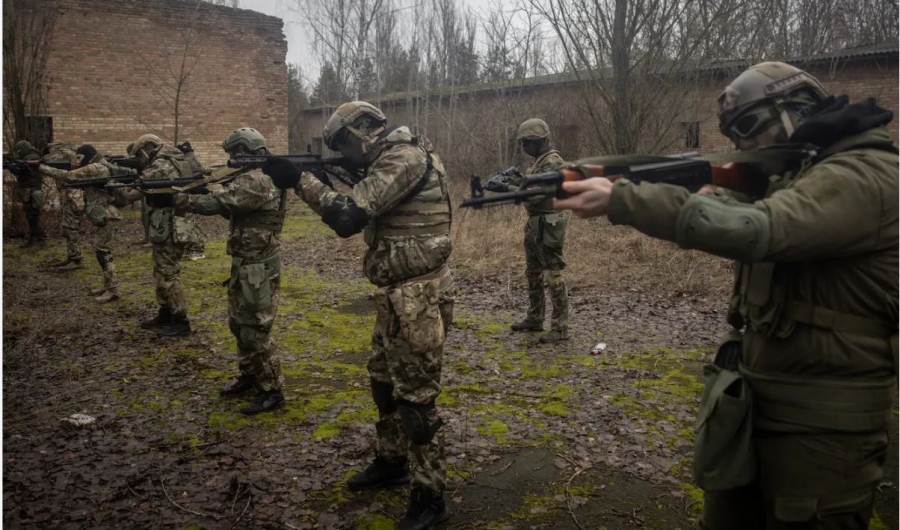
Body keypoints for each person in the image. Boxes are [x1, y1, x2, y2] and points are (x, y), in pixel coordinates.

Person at [554, 62, 898, 530]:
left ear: (798, 110)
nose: (744, 145)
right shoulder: (798, 176)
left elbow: (761, 229)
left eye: (751, 126)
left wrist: (625, 200)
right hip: (758, 400)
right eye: (734, 133)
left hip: (826, 424)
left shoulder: (867, 174)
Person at [263, 101, 454, 530]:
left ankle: (431, 494)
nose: (346, 153)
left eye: (344, 144)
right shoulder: (391, 158)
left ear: (363, 130)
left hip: (419, 298)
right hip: (396, 297)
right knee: (383, 383)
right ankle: (392, 461)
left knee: (417, 401)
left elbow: (348, 218)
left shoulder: (403, 158)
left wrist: (302, 183)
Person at [174, 128, 285, 415]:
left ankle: (272, 389)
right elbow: (229, 204)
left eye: (235, 153)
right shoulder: (248, 178)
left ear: (247, 150)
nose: (232, 159)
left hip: (258, 267)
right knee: (238, 324)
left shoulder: (259, 179)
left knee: (255, 330)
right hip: (245, 264)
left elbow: (223, 201)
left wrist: (185, 200)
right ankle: (250, 375)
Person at [484, 118, 570, 343]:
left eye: (525, 144)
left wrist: (507, 187)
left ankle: (560, 328)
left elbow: (539, 193)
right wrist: (518, 180)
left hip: (549, 222)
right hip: (536, 221)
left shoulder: (552, 162)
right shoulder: (540, 162)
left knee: (553, 274)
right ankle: (535, 317)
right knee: (533, 272)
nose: (523, 148)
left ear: (536, 141)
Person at [40, 145, 138, 302]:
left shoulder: (96, 167)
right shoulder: (99, 166)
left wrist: (43, 168)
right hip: (104, 215)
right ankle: (108, 286)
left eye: (79, 157)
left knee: (103, 252)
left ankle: (112, 290)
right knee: (101, 252)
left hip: (108, 216)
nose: (78, 161)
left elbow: (69, 176)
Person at [132, 134, 197, 337]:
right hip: (169, 222)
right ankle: (166, 311)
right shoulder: (175, 159)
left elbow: (133, 191)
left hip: (171, 223)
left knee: (168, 272)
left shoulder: (163, 163)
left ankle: (180, 320)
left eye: (139, 154)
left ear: (147, 149)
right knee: (161, 269)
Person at [44, 141, 83, 270]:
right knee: (68, 228)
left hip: (73, 197)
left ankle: (76, 259)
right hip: (68, 196)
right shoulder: (67, 159)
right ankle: (72, 256)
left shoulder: (72, 161)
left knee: (71, 228)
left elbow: (70, 175)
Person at [9, 140, 47, 248]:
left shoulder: (32, 156)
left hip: (32, 190)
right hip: (29, 189)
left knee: (33, 216)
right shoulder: (30, 155)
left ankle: (40, 239)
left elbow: (22, 170)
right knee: (31, 216)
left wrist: (11, 167)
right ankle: (34, 239)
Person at [177, 140, 207, 261]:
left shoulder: (187, 160)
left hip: (193, 194)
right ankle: (191, 248)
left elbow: (191, 177)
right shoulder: (191, 158)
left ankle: (197, 249)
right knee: (190, 223)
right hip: (194, 193)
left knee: (192, 223)